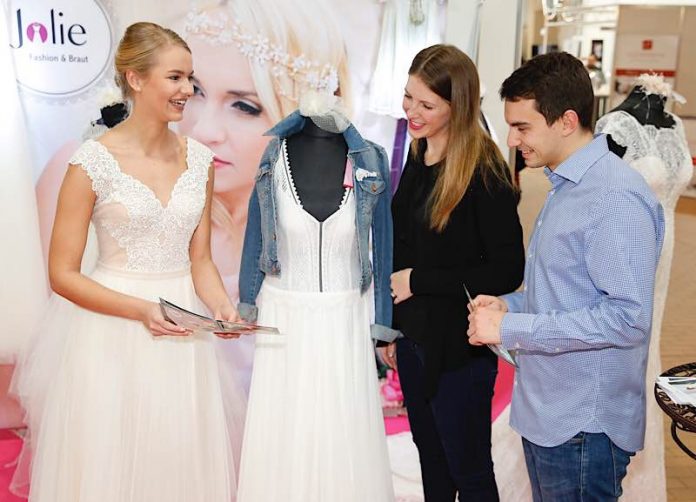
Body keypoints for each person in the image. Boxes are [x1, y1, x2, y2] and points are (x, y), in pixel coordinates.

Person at [10, 22, 245, 502]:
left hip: (182, 326)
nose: (186, 91)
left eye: (190, 80)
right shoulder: (90, 162)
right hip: (111, 329)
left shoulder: (199, 161)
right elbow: (61, 275)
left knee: (176, 453)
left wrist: (221, 305)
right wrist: (142, 310)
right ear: (135, 79)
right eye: (175, 78)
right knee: (110, 460)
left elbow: (199, 258)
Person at [468, 52, 665, 502]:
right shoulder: (567, 185)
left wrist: (511, 328)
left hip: (583, 426)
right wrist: (509, 306)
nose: (512, 139)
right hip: (552, 413)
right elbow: (566, 293)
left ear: (566, 120)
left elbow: (627, 318)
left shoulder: (614, 197)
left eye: (522, 127)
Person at [235, 77, 396, 502]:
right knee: (285, 429)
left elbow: (384, 246)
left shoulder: (370, 160)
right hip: (283, 318)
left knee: (343, 429)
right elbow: (256, 234)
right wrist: (247, 300)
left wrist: (383, 320)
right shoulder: (273, 158)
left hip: (347, 316)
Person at [178, 0, 352, 391]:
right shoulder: (141, 198)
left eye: (244, 106)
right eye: (194, 90)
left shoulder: (325, 222)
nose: (205, 130)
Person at [380, 44, 525, 501]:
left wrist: (418, 281)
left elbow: (507, 269)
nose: (412, 111)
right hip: (414, 341)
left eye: (426, 105)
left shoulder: (484, 171)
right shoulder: (416, 157)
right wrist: (390, 331)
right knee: (433, 463)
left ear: (456, 106)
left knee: (470, 470)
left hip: (460, 350)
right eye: (408, 98)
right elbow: (403, 247)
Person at [596, 74, 693, 502]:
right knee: (623, 332)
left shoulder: (676, 125)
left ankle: (641, 468)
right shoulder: (614, 126)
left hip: (666, 247)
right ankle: (606, 446)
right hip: (626, 242)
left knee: (648, 344)